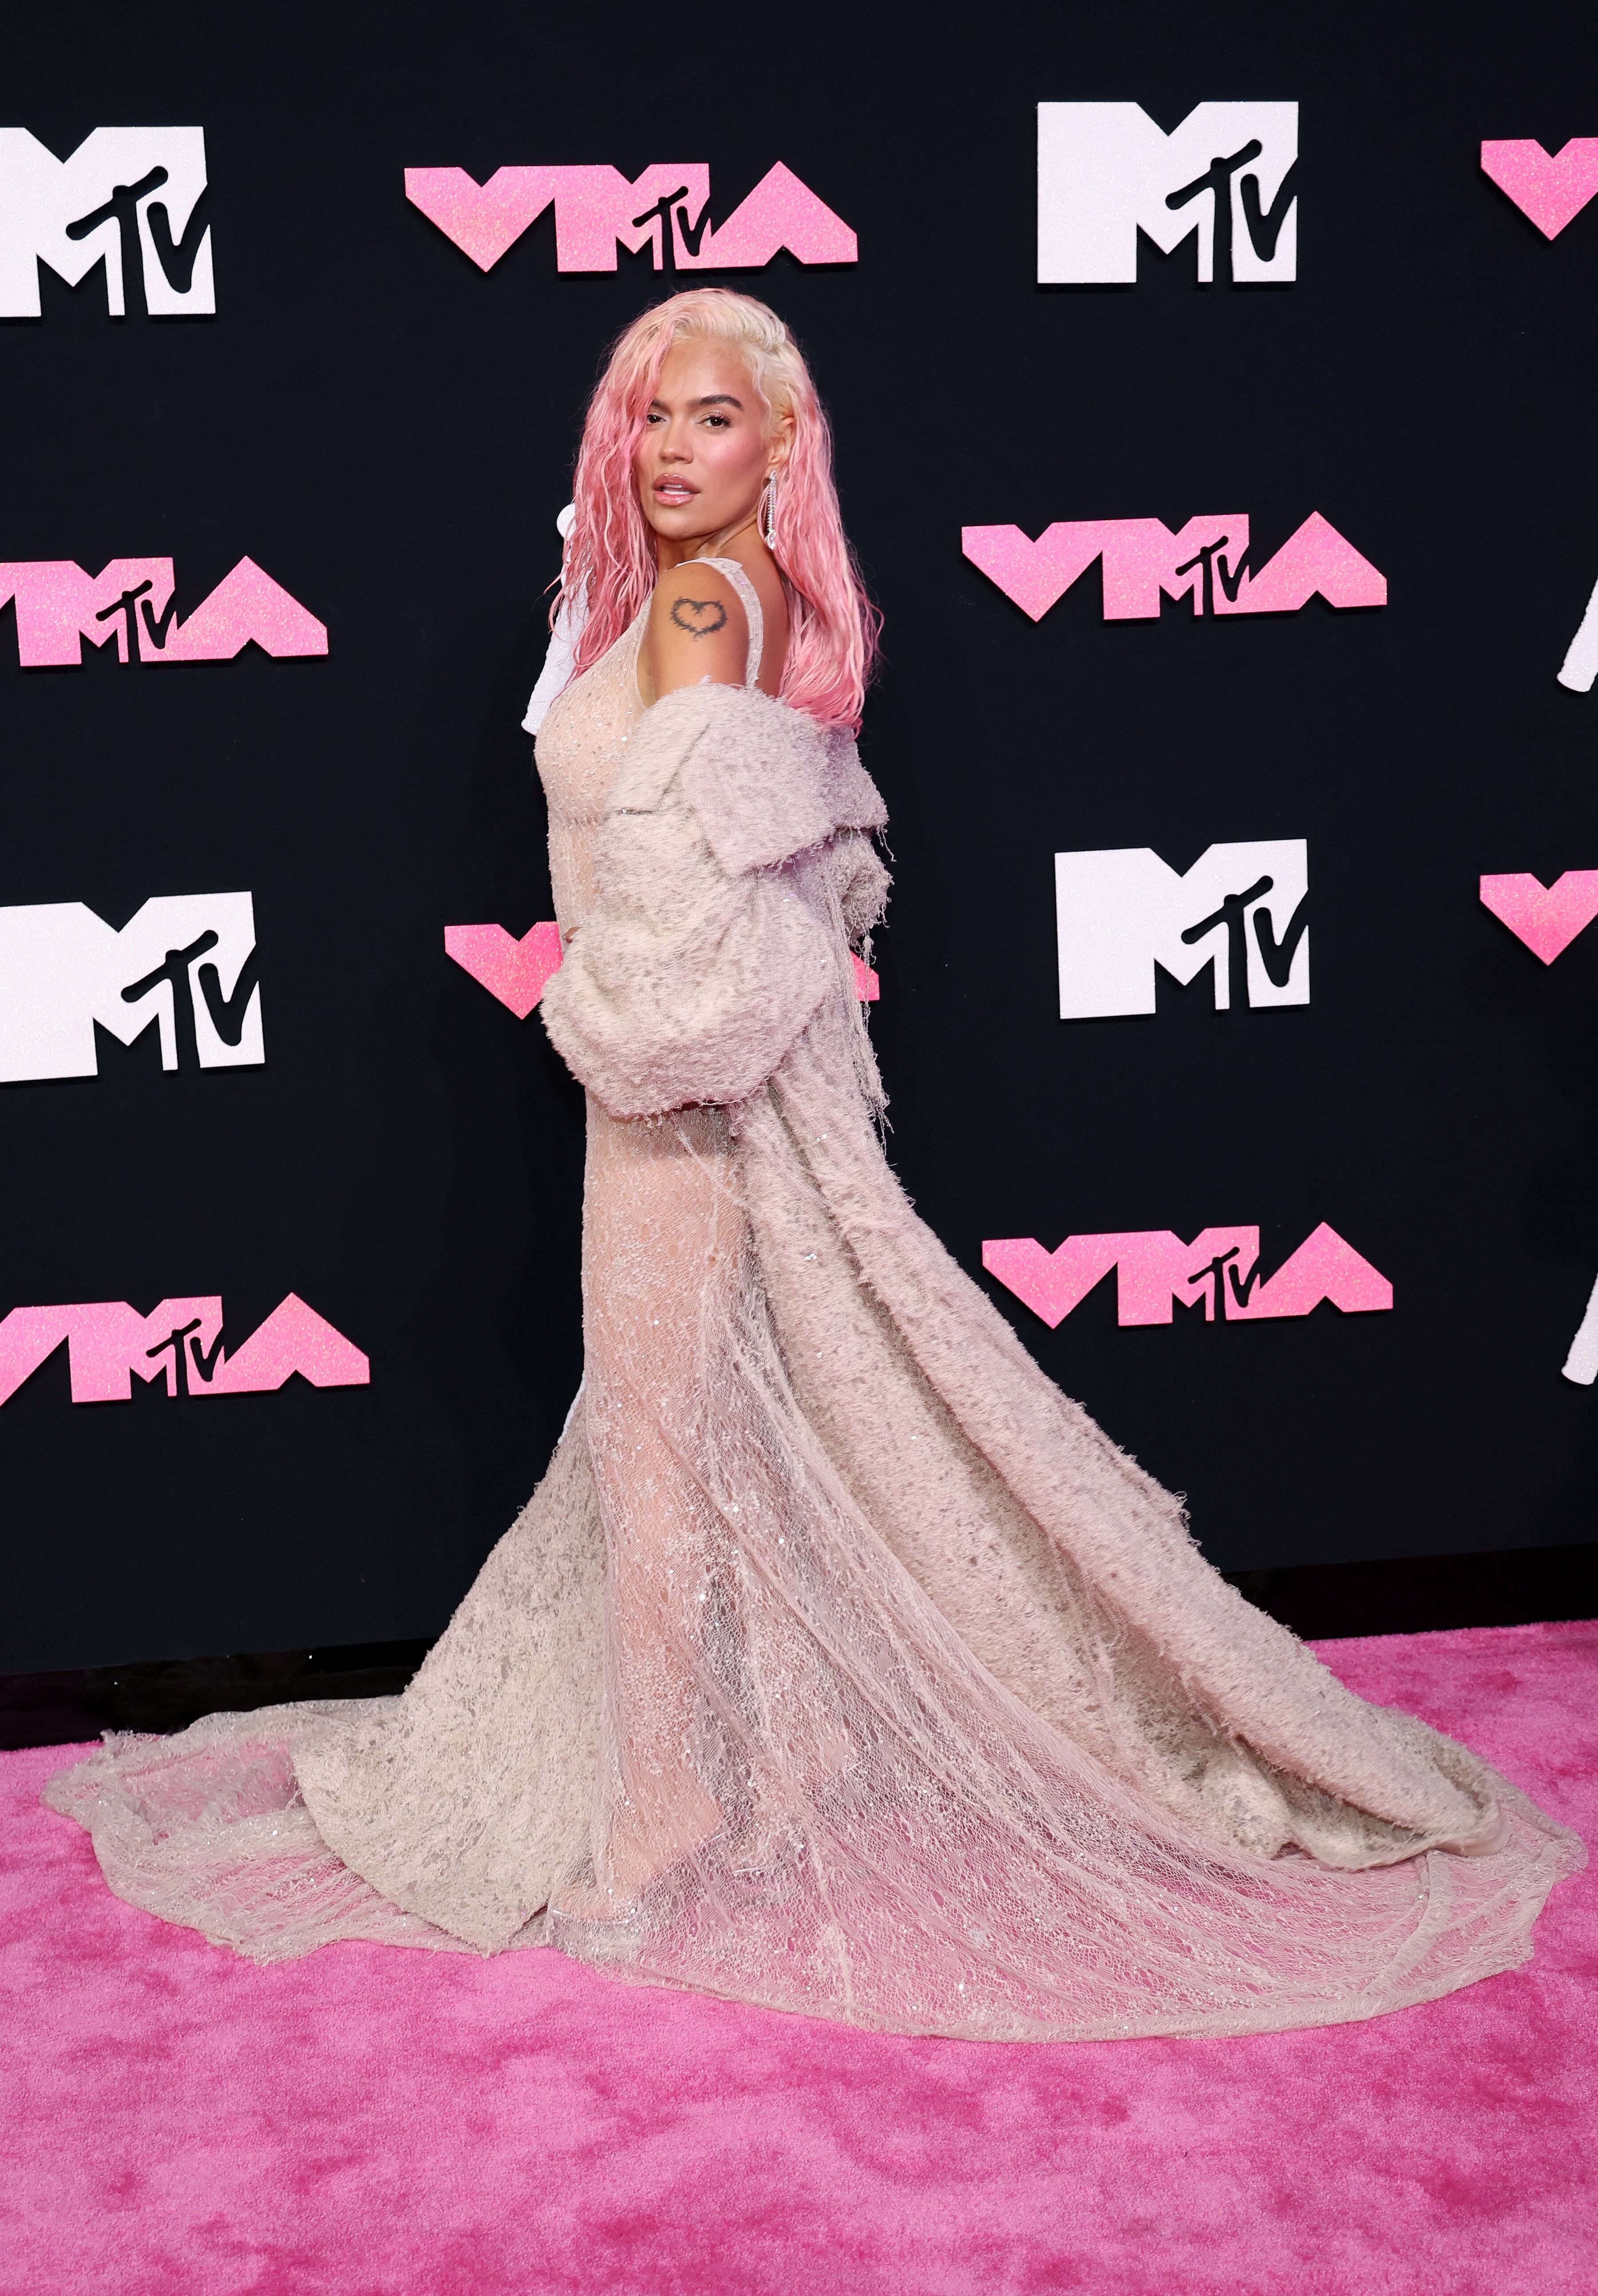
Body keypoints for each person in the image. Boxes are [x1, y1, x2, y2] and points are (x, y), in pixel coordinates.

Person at [47, 289, 1581, 2042]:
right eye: (651, 415)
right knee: (699, 1445)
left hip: (682, 1114)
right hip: (690, 1113)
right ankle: (746, 1774)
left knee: (663, 1455)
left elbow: (705, 915)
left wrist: (612, 1024)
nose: (676, 447)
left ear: (782, 446)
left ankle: (667, 1805)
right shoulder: (690, 602)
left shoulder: (709, 603)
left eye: (715, 418)